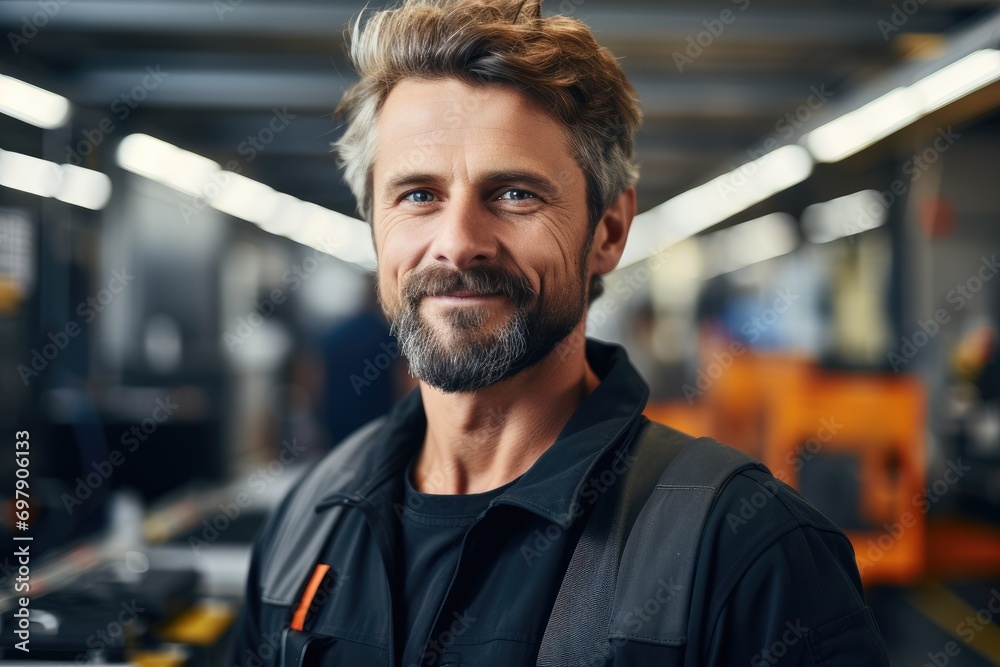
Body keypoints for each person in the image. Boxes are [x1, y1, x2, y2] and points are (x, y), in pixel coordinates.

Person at [230, 1, 890, 665]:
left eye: (514, 193)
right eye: (418, 195)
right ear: (375, 224)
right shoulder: (306, 525)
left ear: (606, 230)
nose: (458, 244)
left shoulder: (748, 555)